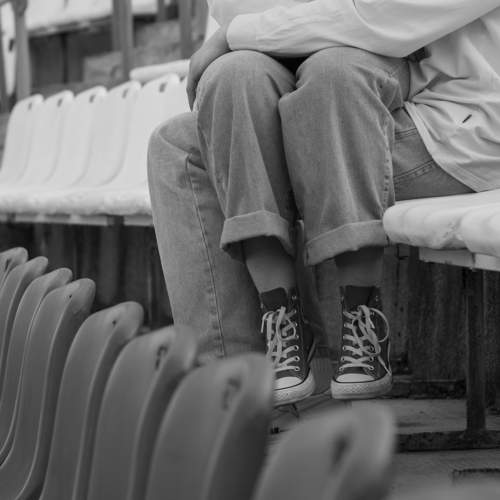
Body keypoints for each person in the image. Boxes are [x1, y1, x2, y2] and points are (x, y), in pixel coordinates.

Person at [148, 1, 500, 405]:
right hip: (356, 77)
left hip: (456, 125)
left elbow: (378, 17)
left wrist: (233, 34)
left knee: (333, 75)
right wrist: (236, 34)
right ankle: (251, 365)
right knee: (220, 94)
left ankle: (360, 317)